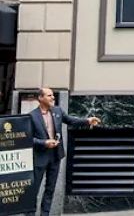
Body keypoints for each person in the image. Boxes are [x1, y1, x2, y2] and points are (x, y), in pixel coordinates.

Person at [29, 87, 101, 215]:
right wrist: (44, 143)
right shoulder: (32, 116)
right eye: (49, 95)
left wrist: (87, 121)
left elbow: (71, 120)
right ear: (40, 98)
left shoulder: (57, 111)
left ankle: (45, 214)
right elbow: (28, 139)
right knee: (33, 190)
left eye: (53, 95)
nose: (53, 97)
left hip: (55, 156)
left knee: (50, 189)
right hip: (39, 157)